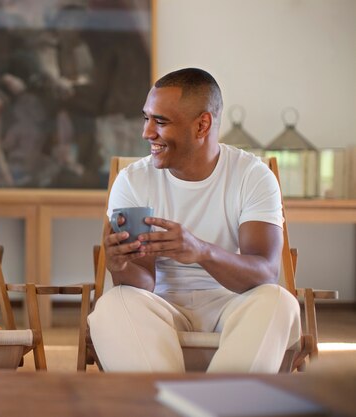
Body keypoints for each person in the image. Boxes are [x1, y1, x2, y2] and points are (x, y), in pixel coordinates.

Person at [88, 68, 301, 373]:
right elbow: (143, 282)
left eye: (160, 121)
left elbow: (266, 272)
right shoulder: (133, 181)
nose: (147, 132)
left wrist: (201, 251)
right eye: (146, 118)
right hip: (159, 313)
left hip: (233, 310)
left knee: (278, 302)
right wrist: (119, 265)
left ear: (202, 125)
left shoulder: (252, 176)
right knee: (113, 304)